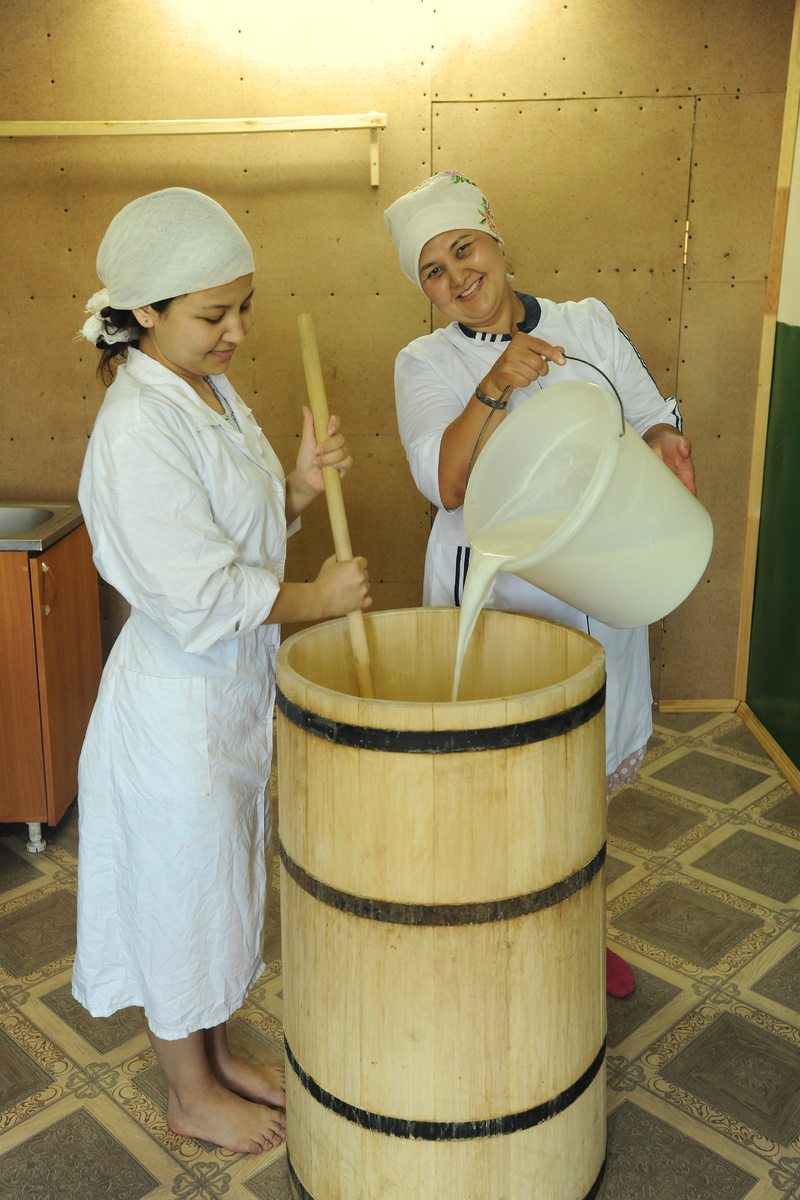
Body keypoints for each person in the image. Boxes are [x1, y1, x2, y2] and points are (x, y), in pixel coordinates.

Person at [73, 187, 371, 1154]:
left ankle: (216, 1052)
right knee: (179, 893)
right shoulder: (136, 430)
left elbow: (234, 537)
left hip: (229, 694)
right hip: (177, 708)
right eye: (214, 314)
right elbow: (200, 594)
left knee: (218, 884)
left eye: (245, 305)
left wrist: (296, 485)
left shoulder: (207, 390)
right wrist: (318, 602)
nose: (239, 330)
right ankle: (188, 1090)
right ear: (146, 311)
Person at [384, 170, 696, 999]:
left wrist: (666, 438)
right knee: (496, 792)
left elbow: (643, 403)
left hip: (595, 581)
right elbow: (444, 484)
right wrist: (497, 386)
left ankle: (574, 937)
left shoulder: (586, 320)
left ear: (496, 240)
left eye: (465, 249)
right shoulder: (426, 360)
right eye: (434, 272)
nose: (458, 278)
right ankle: (491, 941)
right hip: (502, 602)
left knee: (575, 793)